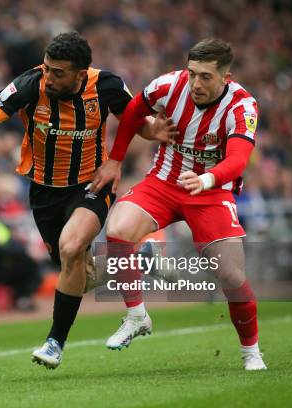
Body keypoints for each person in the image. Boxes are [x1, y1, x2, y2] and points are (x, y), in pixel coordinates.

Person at [0, 32, 176, 369]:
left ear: (80, 74)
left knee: (72, 246)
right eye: (46, 68)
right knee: (80, 274)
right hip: (44, 192)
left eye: (58, 73)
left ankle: (54, 342)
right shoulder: (30, 85)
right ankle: (145, 259)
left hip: (91, 184)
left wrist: (154, 131)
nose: (49, 78)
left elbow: (137, 122)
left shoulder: (107, 86)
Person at [91, 38, 267, 370]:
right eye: (192, 74)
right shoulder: (168, 86)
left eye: (205, 77)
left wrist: (207, 179)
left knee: (231, 276)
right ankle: (136, 316)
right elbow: (131, 114)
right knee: (117, 230)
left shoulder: (242, 106)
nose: (195, 83)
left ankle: (251, 351)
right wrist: (115, 160)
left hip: (211, 193)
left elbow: (238, 160)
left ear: (225, 79)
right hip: (164, 182)